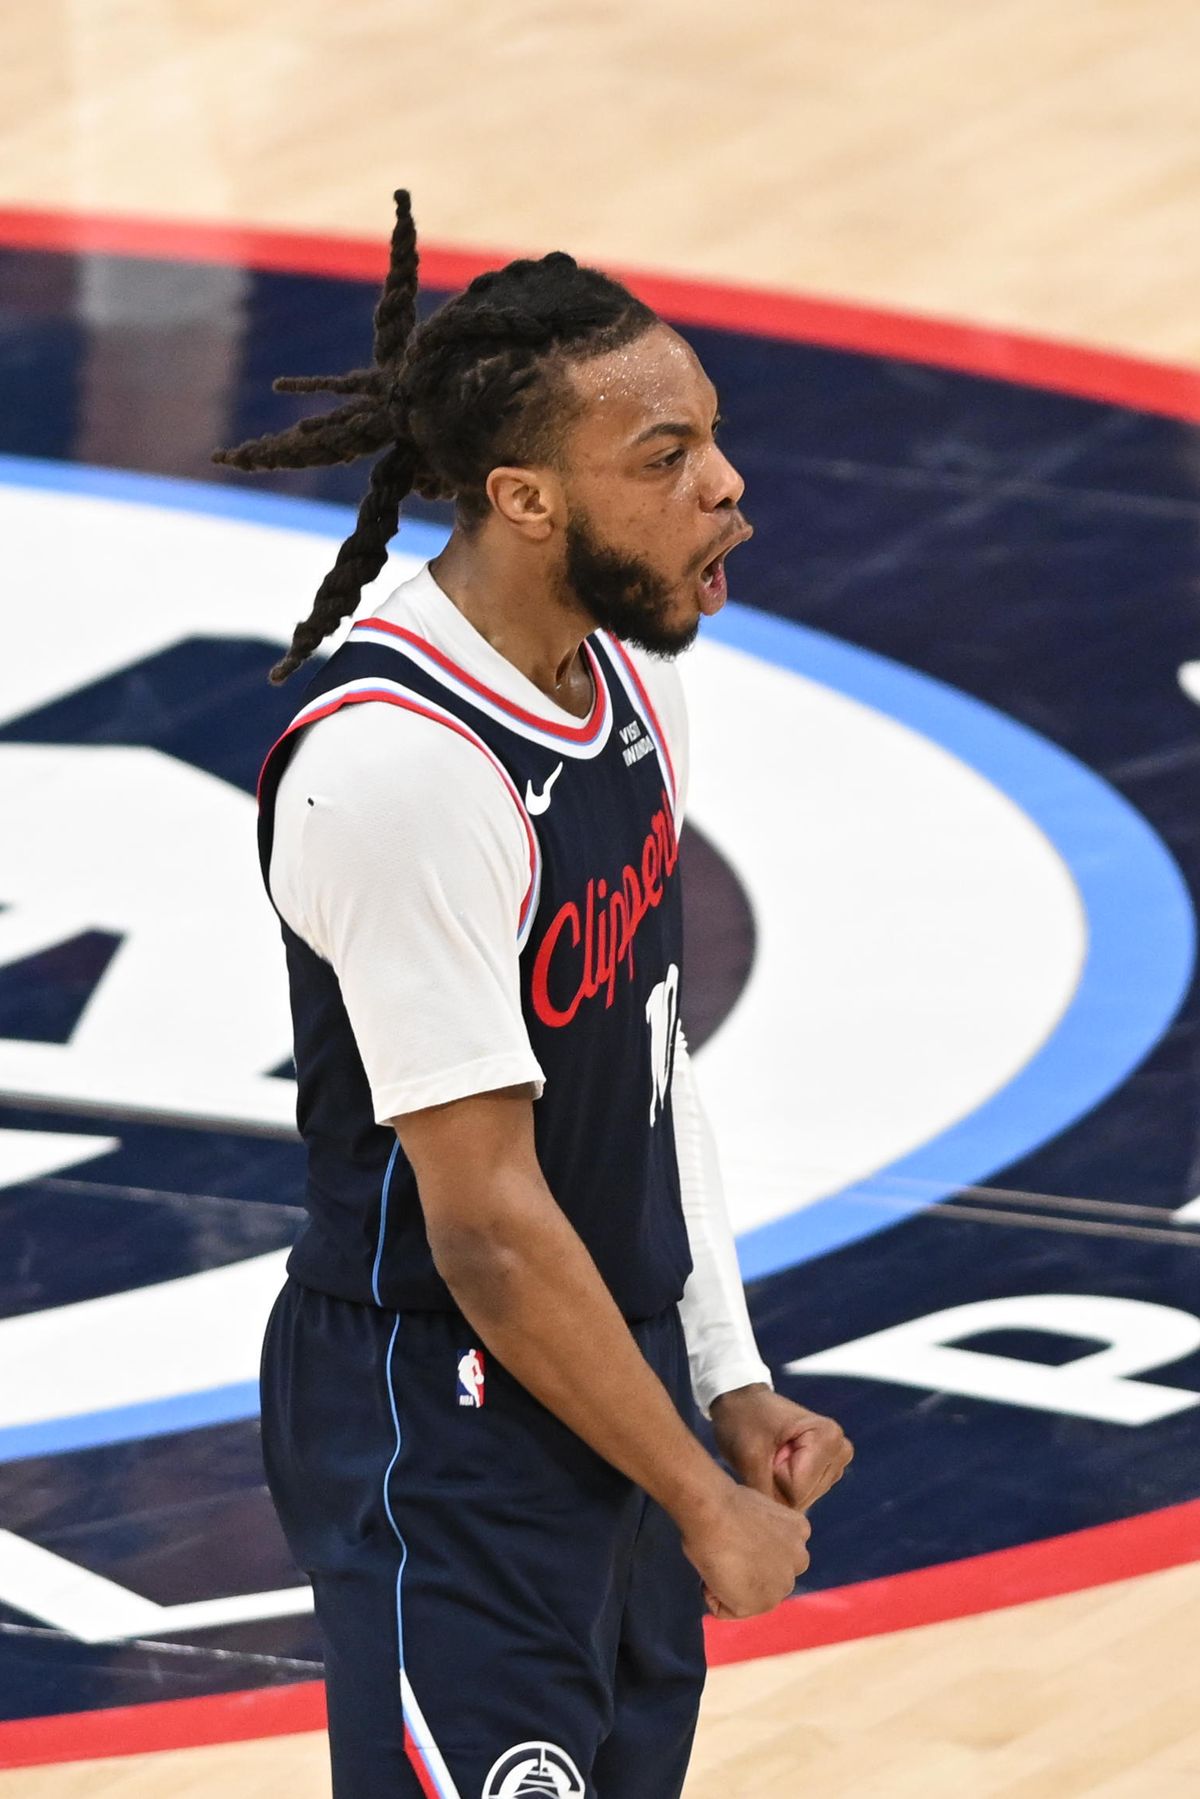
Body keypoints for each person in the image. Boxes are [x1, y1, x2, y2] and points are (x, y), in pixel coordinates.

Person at [216, 190, 852, 1799]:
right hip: (442, 1410)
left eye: (710, 437)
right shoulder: (400, 768)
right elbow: (486, 1223)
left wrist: (719, 1371)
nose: (725, 487)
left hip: (604, 1360)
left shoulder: (631, 679)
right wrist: (705, 1501)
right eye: (661, 458)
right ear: (523, 496)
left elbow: (646, 1069)